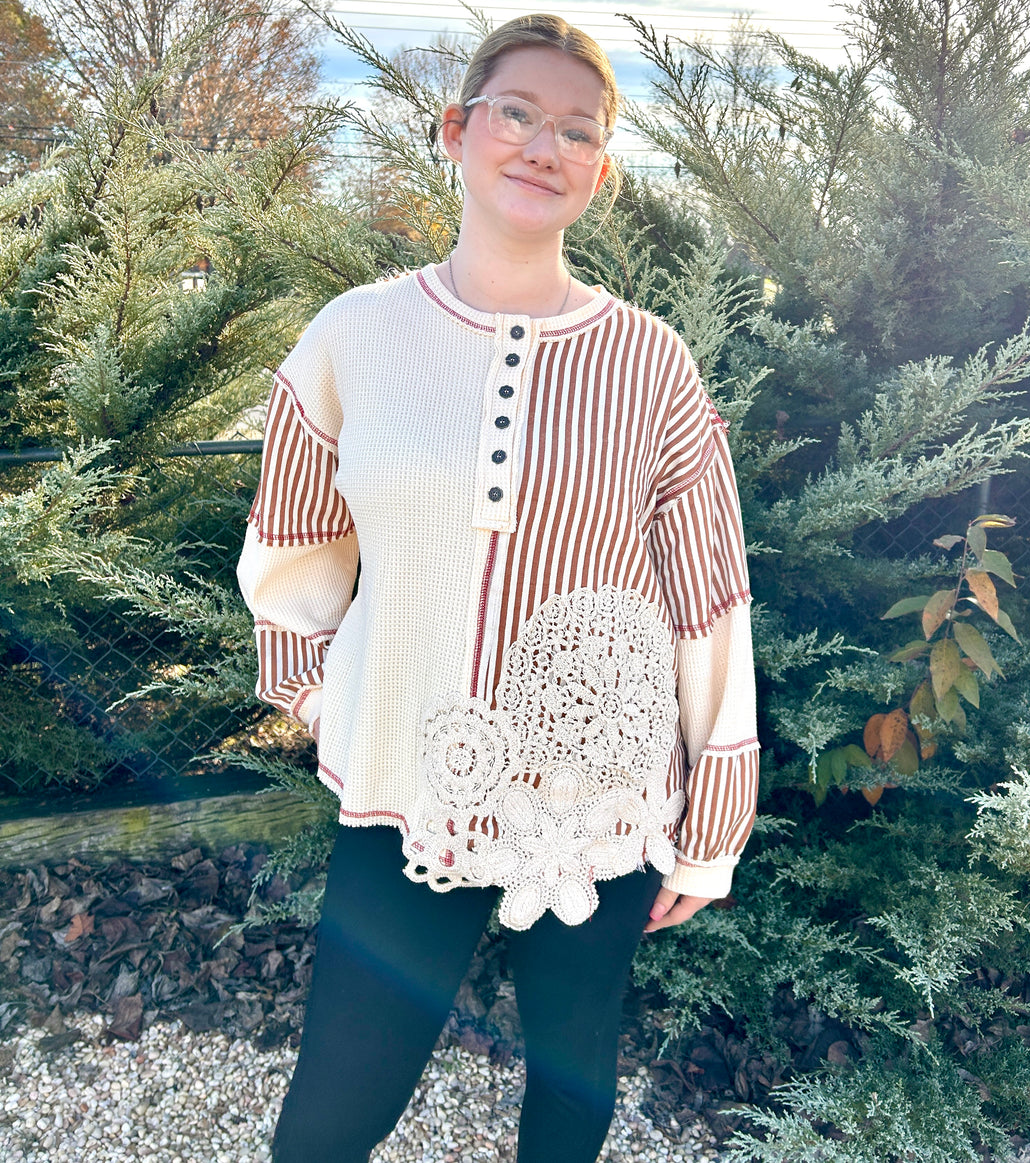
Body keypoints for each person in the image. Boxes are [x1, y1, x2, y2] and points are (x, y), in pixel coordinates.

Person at [237, 12, 759, 1162]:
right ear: (456, 129)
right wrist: (320, 695)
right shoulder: (354, 335)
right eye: (516, 112)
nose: (542, 145)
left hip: (597, 803)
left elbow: (708, 597)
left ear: (601, 172)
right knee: (329, 1112)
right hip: (403, 789)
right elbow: (295, 538)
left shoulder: (653, 364)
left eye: (577, 130)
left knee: (571, 1089)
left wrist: (712, 819)